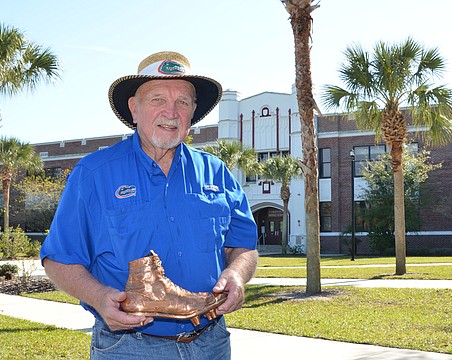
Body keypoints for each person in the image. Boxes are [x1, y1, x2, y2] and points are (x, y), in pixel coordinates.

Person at [40, 51, 258, 360]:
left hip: (211, 343)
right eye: (157, 99)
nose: (171, 112)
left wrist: (236, 274)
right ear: (134, 109)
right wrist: (100, 297)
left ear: (193, 112)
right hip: (129, 347)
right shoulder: (93, 174)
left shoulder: (216, 172)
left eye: (183, 102)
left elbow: (243, 246)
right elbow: (58, 259)